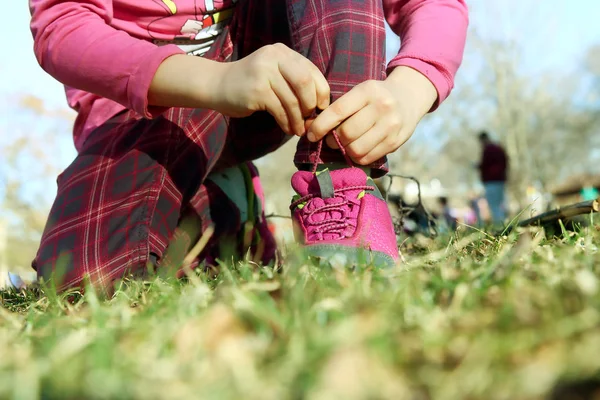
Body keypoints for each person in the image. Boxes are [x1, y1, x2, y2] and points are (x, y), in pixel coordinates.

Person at [28, 0, 469, 291]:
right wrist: (218, 81)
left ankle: (339, 189)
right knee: (85, 278)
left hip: (270, 74)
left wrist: (414, 86)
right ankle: (222, 204)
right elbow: (63, 27)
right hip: (147, 110)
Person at [477, 131, 509, 224]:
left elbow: (484, 164)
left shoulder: (487, 150)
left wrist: (479, 166)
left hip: (491, 181)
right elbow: (505, 161)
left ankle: (500, 226)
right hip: (500, 180)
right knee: (500, 204)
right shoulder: (499, 148)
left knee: (494, 205)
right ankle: (504, 223)